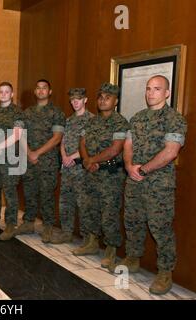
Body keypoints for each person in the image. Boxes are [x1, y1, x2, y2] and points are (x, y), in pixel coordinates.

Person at [109, 75, 187, 295]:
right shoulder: (137, 118)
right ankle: (133, 257)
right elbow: (128, 145)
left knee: (160, 227)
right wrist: (129, 166)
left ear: (167, 93)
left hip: (158, 184)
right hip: (134, 180)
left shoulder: (174, 119)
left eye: (157, 89)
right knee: (132, 221)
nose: (151, 93)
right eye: (148, 88)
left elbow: (171, 151)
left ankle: (165, 272)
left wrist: (143, 169)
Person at [72, 83, 129, 271]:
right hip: (91, 172)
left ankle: (111, 250)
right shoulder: (91, 121)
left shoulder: (120, 122)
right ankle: (91, 241)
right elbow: (82, 142)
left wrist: (92, 160)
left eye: (108, 97)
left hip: (110, 176)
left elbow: (115, 149)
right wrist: (88, 161)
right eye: (101, 97)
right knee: (89, 208)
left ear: (116, 101)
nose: (103, 100)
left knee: (109, 213)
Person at [18, 79, 65, 243]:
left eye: (44, 88)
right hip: (29, 160)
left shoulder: (56, 112)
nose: (41, 90)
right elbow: (20, 135)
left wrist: (37, 153)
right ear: (35, 91)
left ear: (49, 92)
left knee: (47, 195)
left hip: (48, 162)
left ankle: (48, 227)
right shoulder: (27, 113)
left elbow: (57, 137)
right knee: (29, 192)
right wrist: (30, 153)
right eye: (38, 88)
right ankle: (28, 223)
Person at [51, 88, 94, 244]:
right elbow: (62, 141)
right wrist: (63, 156)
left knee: (84, 203)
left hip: (81, 169)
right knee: (65, 201)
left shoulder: (92, 120)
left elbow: (89, 145)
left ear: (85, 100)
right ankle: (66, 232)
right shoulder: (68, 121)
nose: (75, 102)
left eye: (78, 99)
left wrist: (72, 157)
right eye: (72, 100)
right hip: (67, 168)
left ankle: (87, 238)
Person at [0, 82, 26, 241]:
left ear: (12, 94)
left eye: (7, 92)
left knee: (9, 192)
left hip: (10, 158)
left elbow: (17, 134)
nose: (3, 94)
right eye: (1, 91)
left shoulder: (17, 112)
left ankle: (11, 225)